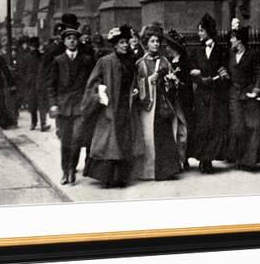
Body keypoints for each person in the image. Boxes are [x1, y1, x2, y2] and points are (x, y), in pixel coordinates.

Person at [81, 25, 143, 188]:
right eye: (121, 43)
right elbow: (93, 83)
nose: (125, 45)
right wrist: (100, 96)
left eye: (126, 42)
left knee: (123, 139)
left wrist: (136, 90)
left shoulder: (130, 63)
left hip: (126, 106)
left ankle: (121, 177)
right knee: (109, 141)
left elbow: (134, 82)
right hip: (110, 106)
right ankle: (108, 178)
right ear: (114, 45)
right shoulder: (105, 62)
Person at [133, 24, 181, 181]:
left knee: (164, 136)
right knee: (149, 137)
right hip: (148, 106)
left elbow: (174, 82)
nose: (156, 44)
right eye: (153, 41)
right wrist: (148, 81)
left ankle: (167, 171)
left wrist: (171, 81)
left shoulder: (165, 61)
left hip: (162, 103)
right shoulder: (140, 63)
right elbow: (135, 84)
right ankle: (149, 172)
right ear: (146, 43)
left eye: (158, 41)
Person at [47, 27, 95, 185]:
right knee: (65, 141)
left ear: (78, 41)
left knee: (77, 139)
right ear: (64, 41)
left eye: (74, 38)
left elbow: (92, 82)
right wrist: (53, 104)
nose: (72, 41)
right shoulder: (58, 61)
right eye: (69, 38)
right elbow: (51, 85)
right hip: (63, 106)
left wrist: (90, 101)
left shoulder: (87, 60)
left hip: (81, 105)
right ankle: (65, 171)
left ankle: (72, 169)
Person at [189, 13, 230, 174]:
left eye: (201, 30)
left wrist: (214, 80)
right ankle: (202, 159)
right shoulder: (196, 51)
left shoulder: (221, 50)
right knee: (201, 127)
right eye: (198, 30)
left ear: (208, 31)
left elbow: (224, 71)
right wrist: (200, 79)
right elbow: (191, 70)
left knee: (213, 126)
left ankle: (209, 160)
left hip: (216, 95)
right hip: (201, 95)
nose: (199, 33)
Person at [227, 20, 260, 169]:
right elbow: (227, 72)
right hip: (234, 96)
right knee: (237, 127)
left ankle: (248, 161)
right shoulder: (230, 55)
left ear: (239, 40)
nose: (230, 40)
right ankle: (237, 158)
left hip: (248, 94)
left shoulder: (252, 54)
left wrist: (256, 89)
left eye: (232, 37)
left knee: (250, 127)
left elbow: (259, 73)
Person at [165, 29, 195, 171]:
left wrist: (177, 81)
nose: (166, 48)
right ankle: (176, 158)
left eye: (169, 46)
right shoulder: (169, 62)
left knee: (183, 128)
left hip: (183, 100)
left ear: (175, 47)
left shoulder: (184, 62)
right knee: (174, 129)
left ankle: (183, 158)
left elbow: (188, 83)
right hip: (172, 99)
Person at [24, 36, 50, 131]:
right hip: (33, 84)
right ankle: (36, 123)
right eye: (33, 46)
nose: (34, 48)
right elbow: (23, 71)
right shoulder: (31, 57)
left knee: (38, 104)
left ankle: (39, 123)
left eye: (35, 46)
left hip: (38, 83)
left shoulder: (41, 57)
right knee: (34, 105)